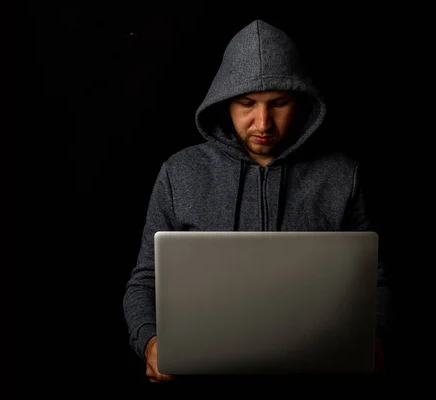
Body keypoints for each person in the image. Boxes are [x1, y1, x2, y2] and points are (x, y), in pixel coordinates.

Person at [122, 19, 390, 382]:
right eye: (247, 103)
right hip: (204, 376)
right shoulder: (179, 173)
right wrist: (150, 342)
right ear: (225, 103)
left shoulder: (343, 176)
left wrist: (374, 336)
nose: (263, 123)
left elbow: (375, 282)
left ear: (301, 102)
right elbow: (143, 282)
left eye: (279, 103)